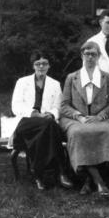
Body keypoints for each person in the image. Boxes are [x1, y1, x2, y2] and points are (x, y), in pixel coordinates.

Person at [60, 41, 109, 197]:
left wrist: (99, 117)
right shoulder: (72, 78)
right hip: (75, 120)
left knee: (106, 132)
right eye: (87, 54)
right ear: (82, 55)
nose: (90, 57)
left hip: (100, 119)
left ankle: (87, 181)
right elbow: (64, 105)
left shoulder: (106, 77)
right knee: (78, 133)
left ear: (98, 56)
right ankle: (99, 181)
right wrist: (79, 116)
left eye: (94, 54)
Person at [11, 51, 73, 190]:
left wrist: (51, 114)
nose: (41, 66)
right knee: (49, 126)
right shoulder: (22, 82)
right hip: (26, 123)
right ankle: (61, 171)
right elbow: (15, 106)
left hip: (46, 123)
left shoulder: (55, 84)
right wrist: (35, 114)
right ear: (33, 66)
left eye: (44, 63)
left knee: (47, 126)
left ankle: (38, 173)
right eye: (37, 64)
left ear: (49, 66)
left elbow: (59, 107)